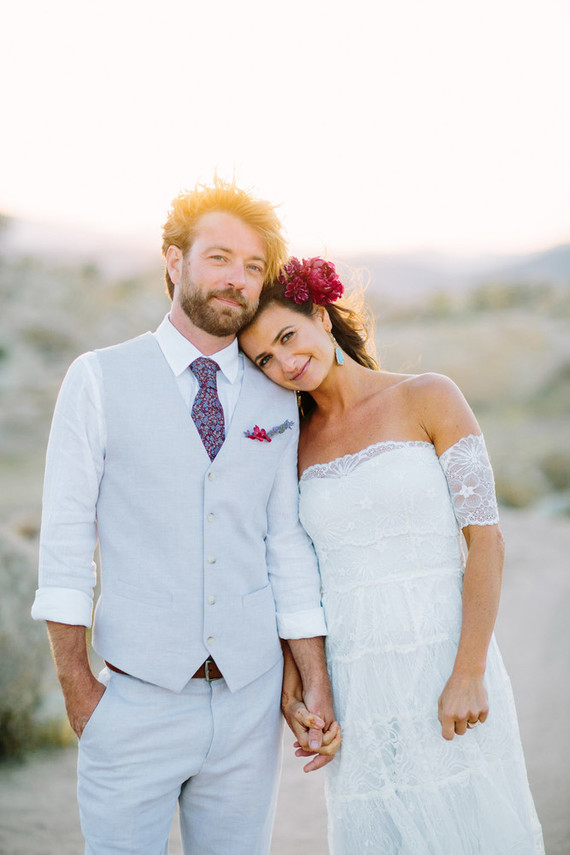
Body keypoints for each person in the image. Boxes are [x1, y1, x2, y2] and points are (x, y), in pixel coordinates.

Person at [31, 180, 339, 855]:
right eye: (219, 257)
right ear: (173, 259)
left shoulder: (276, 394)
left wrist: (312, 672)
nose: (238, 280)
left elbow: (284, 544)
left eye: (254, 267)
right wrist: (79, 689)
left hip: (248, 699)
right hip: (134, 699)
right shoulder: (99, 379)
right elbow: (63, 545)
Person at [238, 256, 545, 854]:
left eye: (286, 336)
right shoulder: (289, 446)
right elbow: (290, 575)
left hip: (446, 667)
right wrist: (302, 689)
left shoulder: (429, 396)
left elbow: (486, 540)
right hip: (360, 685)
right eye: (265, 360)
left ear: (321, 317)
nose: (285, 363)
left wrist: (469, 673)